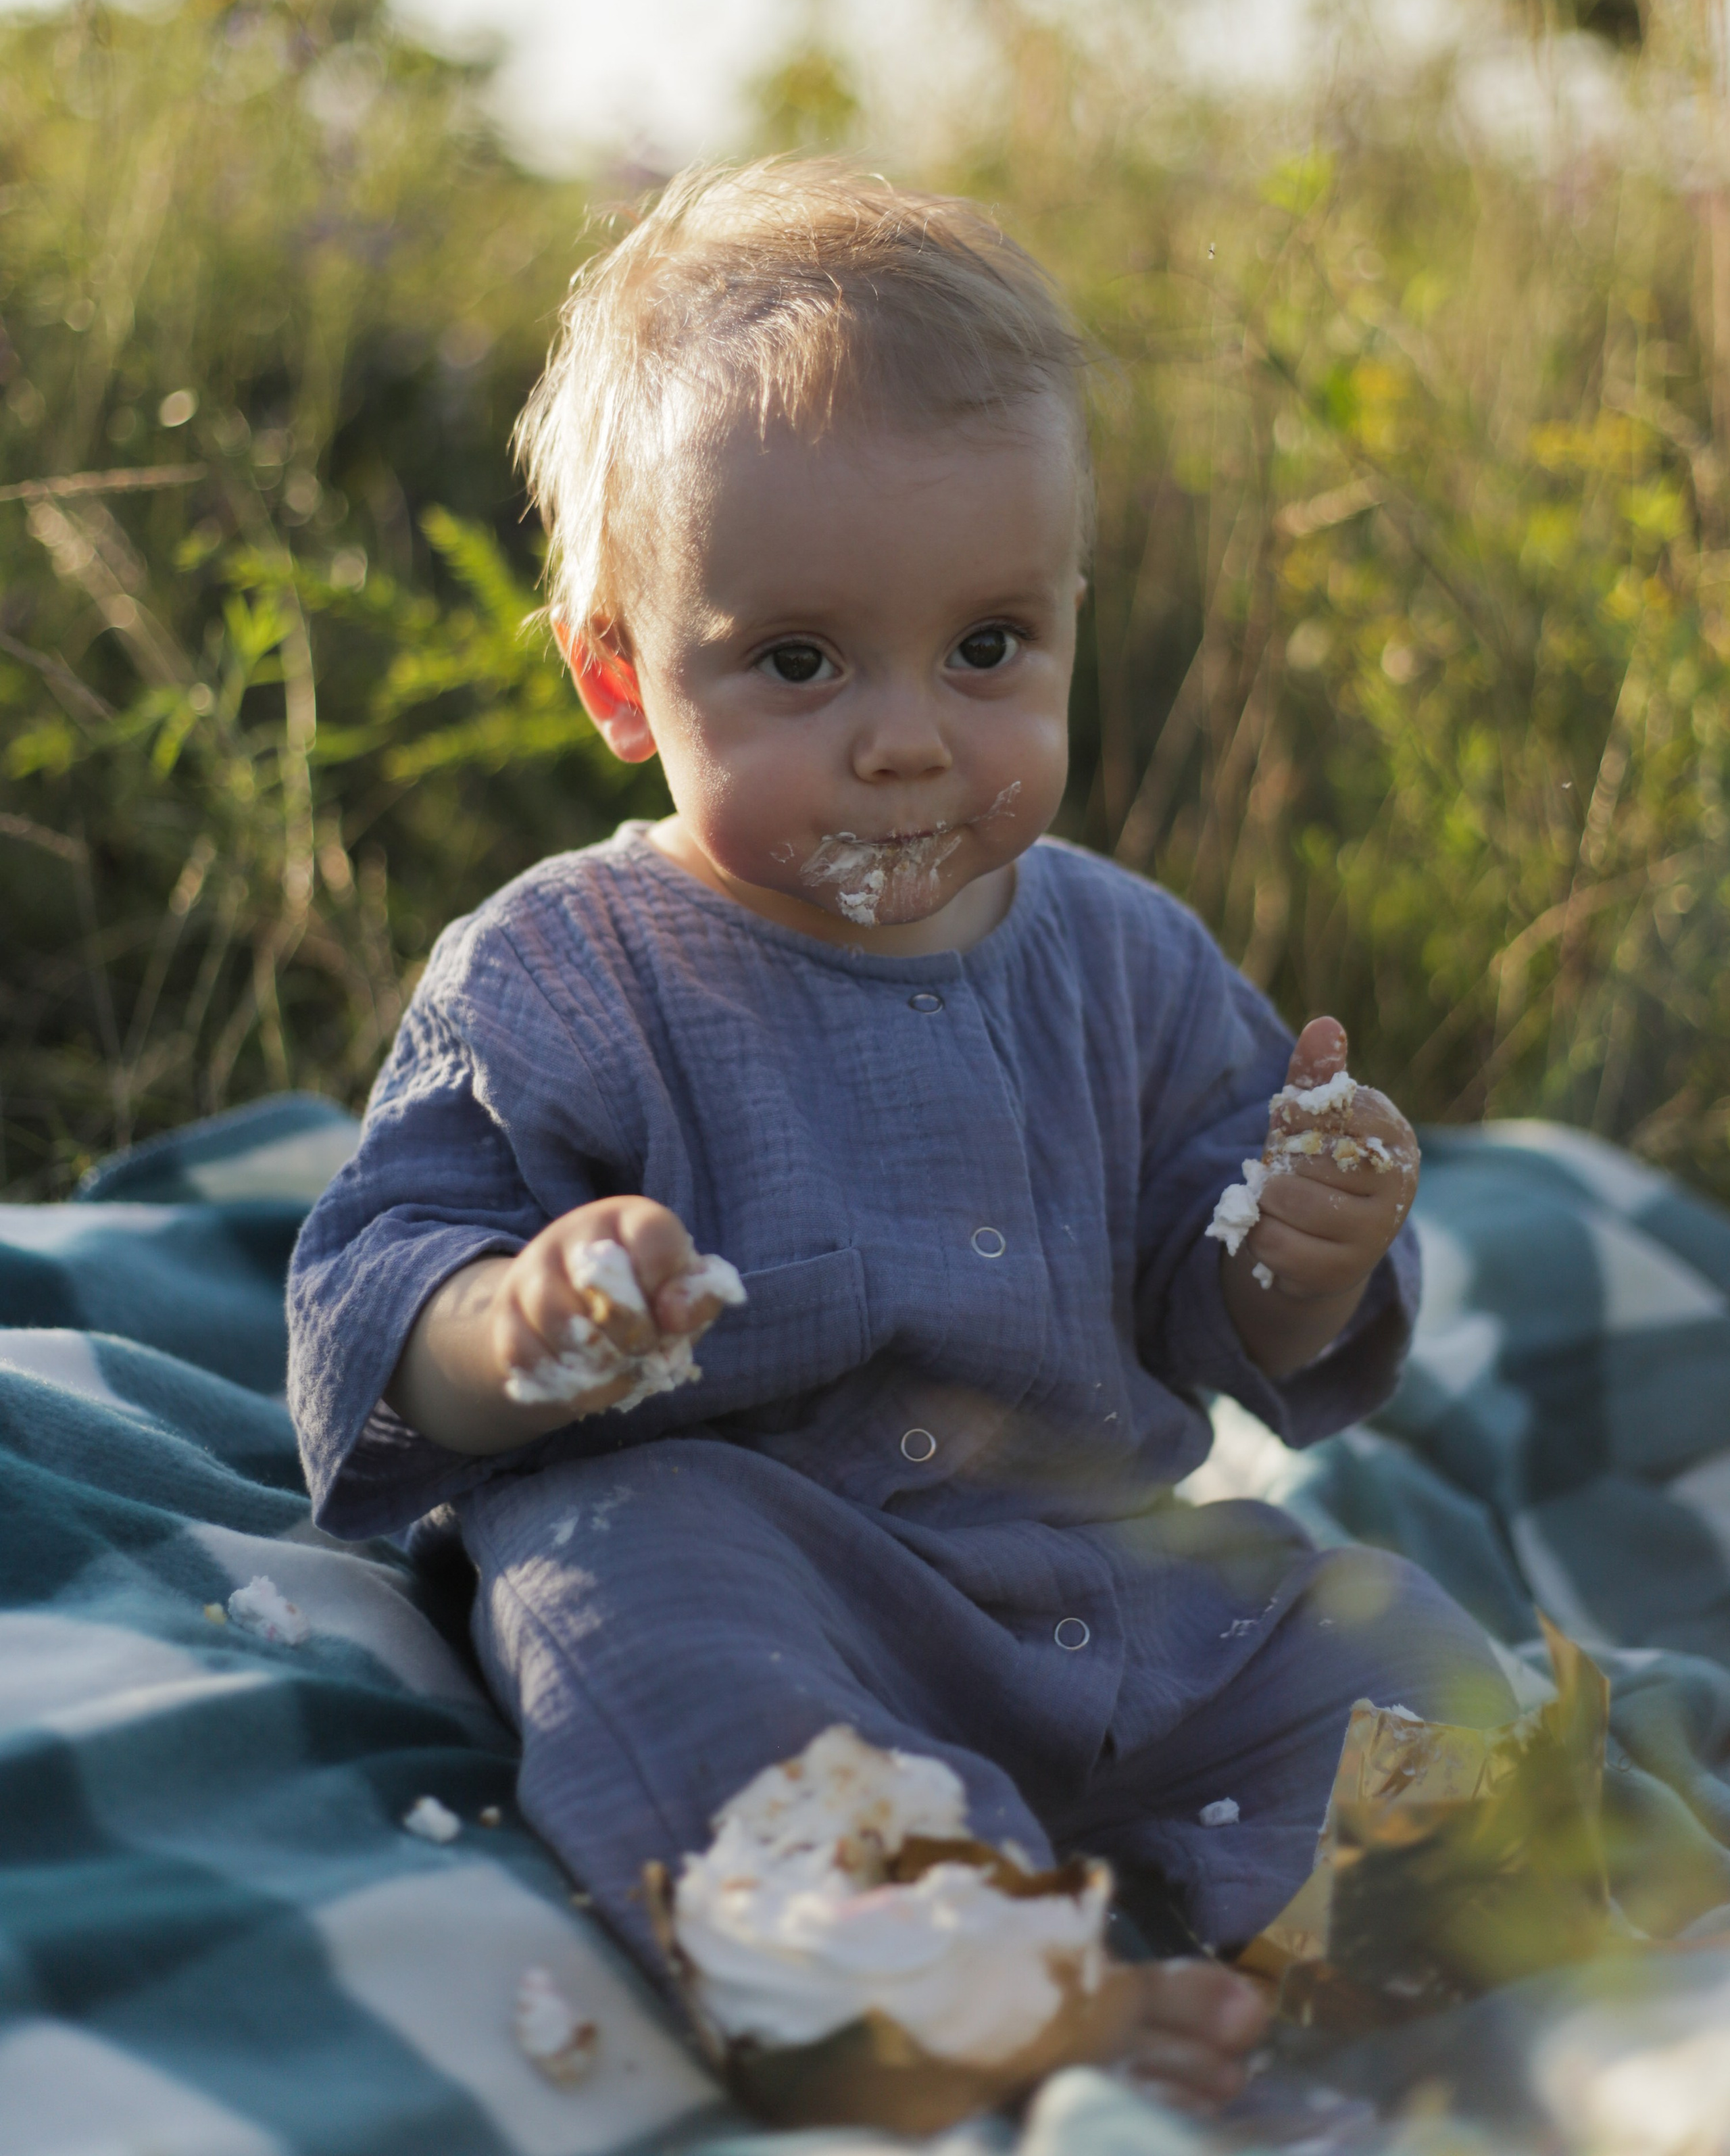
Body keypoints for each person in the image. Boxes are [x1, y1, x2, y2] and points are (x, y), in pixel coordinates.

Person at [288, 157, 1514, 2111]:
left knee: (1378, 1637)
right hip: (775, 1573)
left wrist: (1304, 1244)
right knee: (617, 1588)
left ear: (1069, 619)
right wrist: (516, 1323)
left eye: (987, 646)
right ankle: (924, 1962)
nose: (908, 737)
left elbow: (1221, 1309)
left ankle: (1399, 1922)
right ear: (619, 677)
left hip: (1107, 1577)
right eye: (798, 661)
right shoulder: (563, 971)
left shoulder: (1126, 956)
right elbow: (370, 1289)